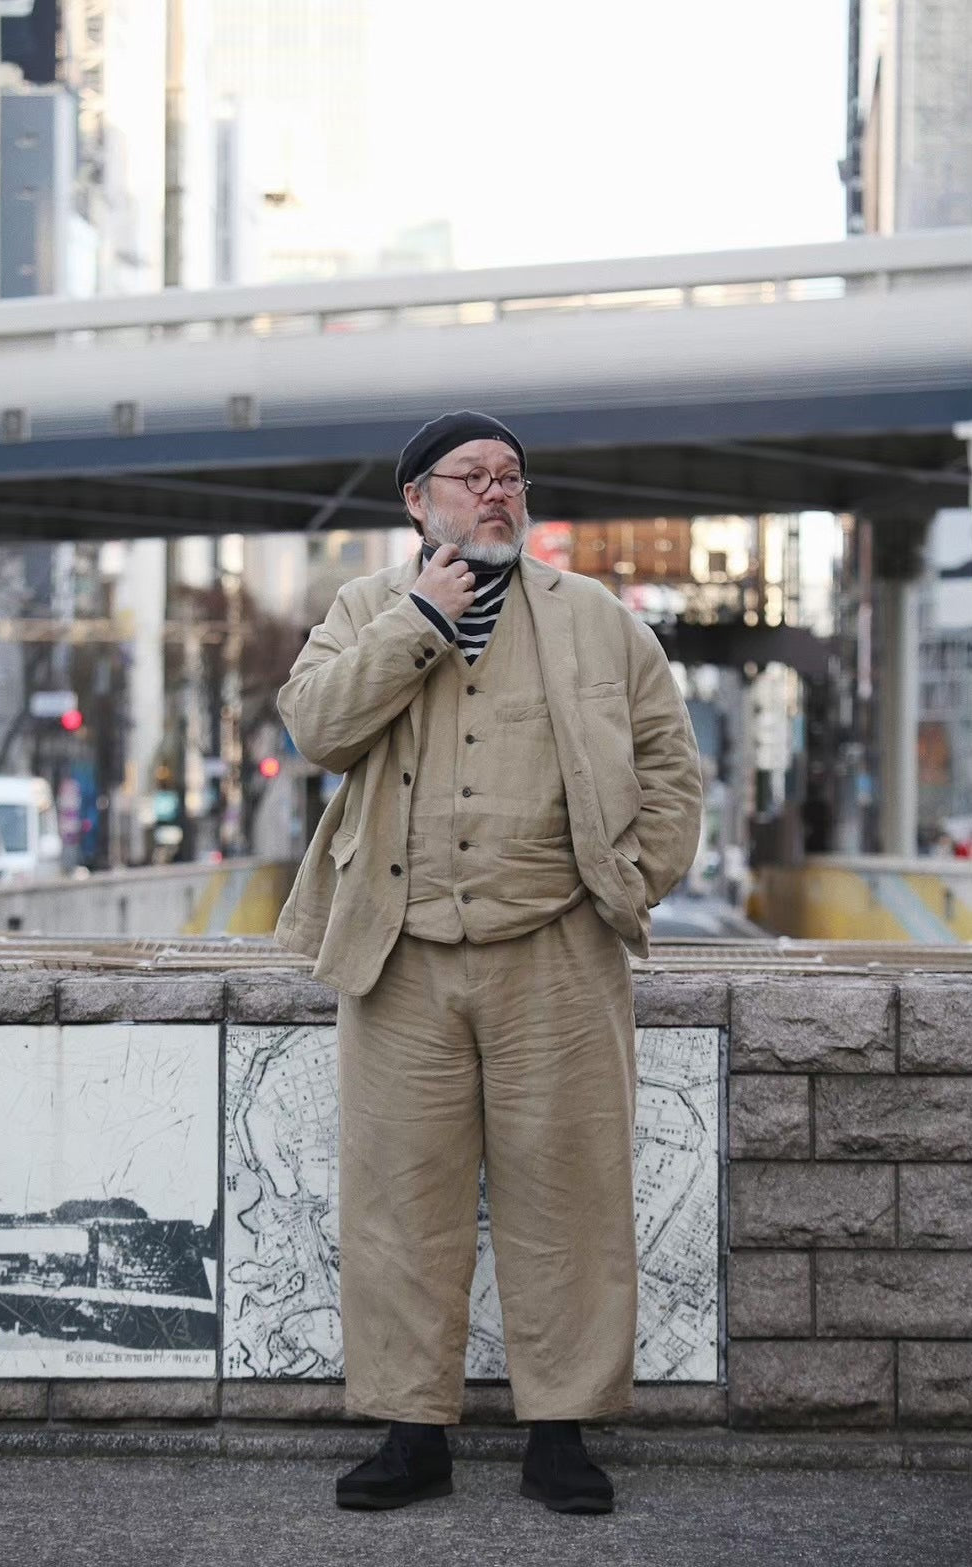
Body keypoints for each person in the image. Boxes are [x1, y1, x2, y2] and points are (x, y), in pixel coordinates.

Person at [275, 410, 702, 1514]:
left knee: (568, 1199)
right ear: (418, 501)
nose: (496, 491)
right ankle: (411, 1432)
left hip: (556, 948)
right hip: (399, 952)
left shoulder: (595, 618)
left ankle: (560, 1430)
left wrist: (633, 877)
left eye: (510, 476)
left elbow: (668, 759)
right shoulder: (365, 609)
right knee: (397, 1204)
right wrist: (420, 618)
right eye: (470, 476)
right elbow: (316, 726)